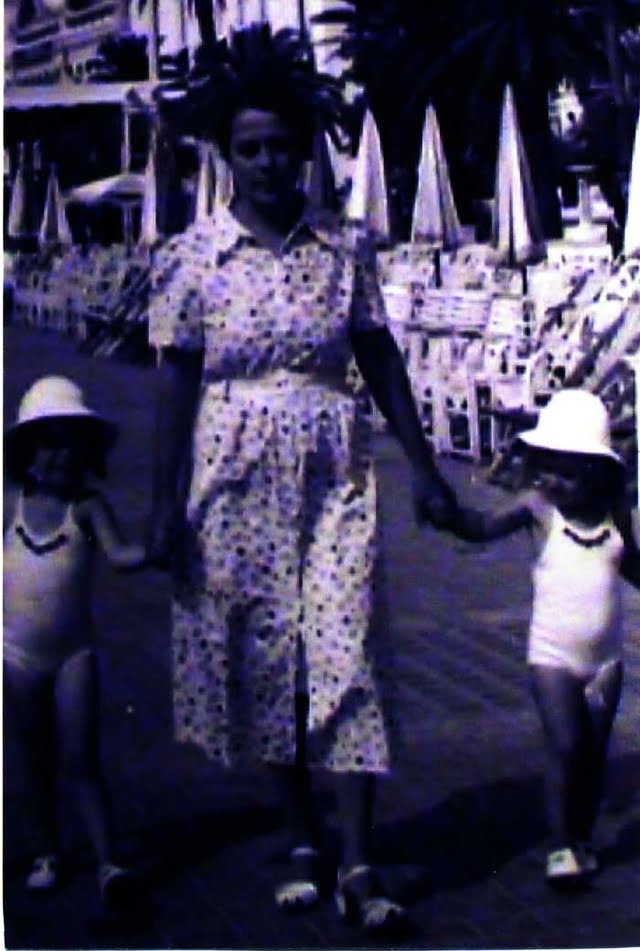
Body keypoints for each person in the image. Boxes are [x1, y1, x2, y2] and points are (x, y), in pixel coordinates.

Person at [147, 24, 457, 933]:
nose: (269, 162)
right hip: (231, 469)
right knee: (264, 657)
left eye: (283, 145)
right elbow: (172, 383)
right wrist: (161, 502)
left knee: (345, 647)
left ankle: (358, 858)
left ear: (305, 149)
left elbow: (382, 358)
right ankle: (300, 833)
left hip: (333, 469)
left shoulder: (343, 249)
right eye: (251, 150)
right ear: (228, 156)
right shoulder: (192, 258)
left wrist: (428, 471)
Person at [453, 388, 640, 886]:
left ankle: (580, 837)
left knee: (594, 756)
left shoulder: (616, 519)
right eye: (548, 467)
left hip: (605, 661)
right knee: (565, 746)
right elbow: (483, 526)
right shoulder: (539, 509)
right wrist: (450, 515)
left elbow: (635, 568)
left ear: (598, 473)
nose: (555, 480)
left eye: (569, 471)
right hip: (553, 656)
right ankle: (559, 846)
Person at [3, 375, 147, 907]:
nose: (61, 455)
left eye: (71, 443)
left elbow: (121, 556)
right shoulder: (8, 505)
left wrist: (159, 549)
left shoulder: (87, 508)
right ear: (25, 452)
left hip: (72, 656)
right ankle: (47, 849)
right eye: (48, 442)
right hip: (15, 654)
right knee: (35, 758)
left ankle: (109, 860)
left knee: (82, 758)